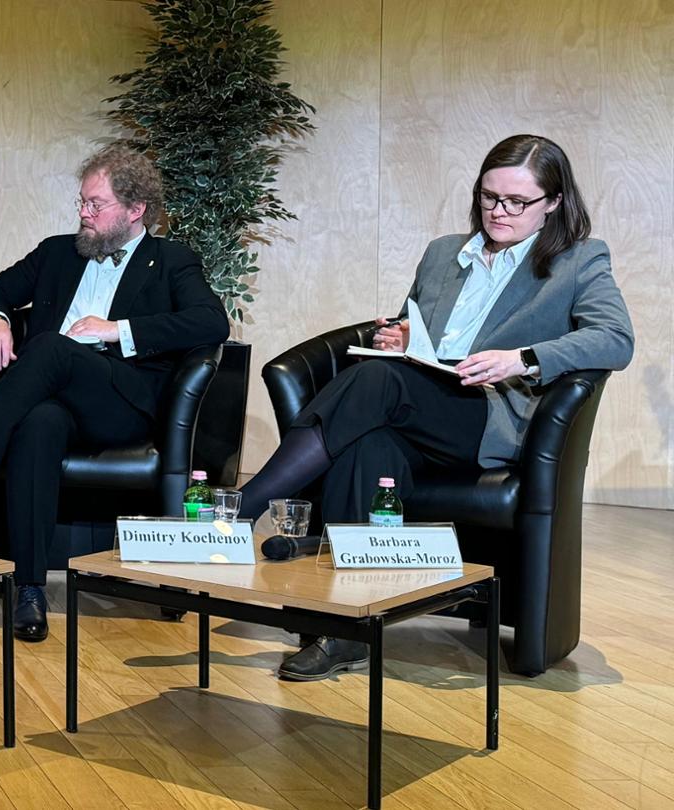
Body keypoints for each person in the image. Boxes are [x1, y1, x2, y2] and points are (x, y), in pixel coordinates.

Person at [236, 134, 633, 680]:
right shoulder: (445, 252)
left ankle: (241, 509)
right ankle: (346, 631)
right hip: (421, 403)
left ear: (554, 202)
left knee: (377, 384)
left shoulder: (579, 260)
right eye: (489, 196)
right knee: (366, 445)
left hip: (491, 415)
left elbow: (615, 339)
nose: (498, 211)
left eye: (517, 202)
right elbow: (415, 326)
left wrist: (522, 359)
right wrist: (401, 337)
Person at [0, 146, 228, 642]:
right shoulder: (58, 251)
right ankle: (30, 589)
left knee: (50, 346)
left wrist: (117, 329)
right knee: (38, 424)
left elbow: (211, 321)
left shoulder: (172, 261)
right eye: (81, 202)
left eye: (96, 205)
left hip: (121, 402)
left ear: (135, 210)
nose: (83, 214)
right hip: (56, 399)